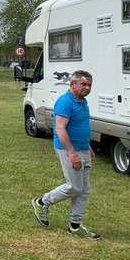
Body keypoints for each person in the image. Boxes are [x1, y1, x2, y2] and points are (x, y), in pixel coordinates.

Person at [31, 70, 101, 239]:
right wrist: (72, 153)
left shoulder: (83, 101)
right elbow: (60, 128)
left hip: (82, 148)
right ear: (72, 84)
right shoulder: (65, 102)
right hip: (68, 149)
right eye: (83, 84)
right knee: (74, 187)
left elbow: (80, 125)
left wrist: (87, 146)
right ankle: (42, 202)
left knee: (83, 190)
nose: (87, 87)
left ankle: (75, 227)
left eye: (89, 85)